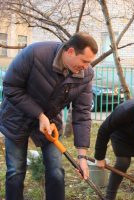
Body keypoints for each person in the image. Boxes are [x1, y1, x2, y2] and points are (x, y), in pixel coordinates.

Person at [0, 32, 98, 200]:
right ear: (70, 52)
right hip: (16, 117)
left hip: (51, 123)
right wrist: (39, 114)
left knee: (56, 172)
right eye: (84, 61)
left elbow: (82, 113)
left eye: (89, 62)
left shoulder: (85, 75)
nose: (87, 66)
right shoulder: (35, 53)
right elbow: (10, 87)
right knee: (15, 172)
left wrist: (82, 156)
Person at [94, 93, 134, 200]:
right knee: (122, 163)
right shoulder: (124, 111)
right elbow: (104, 130)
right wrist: (100, 157)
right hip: (122, 136)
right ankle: (109, 197)